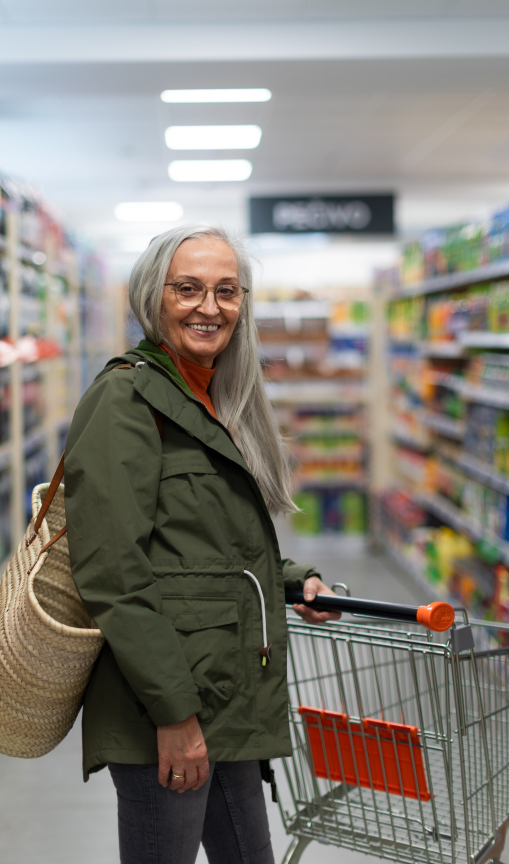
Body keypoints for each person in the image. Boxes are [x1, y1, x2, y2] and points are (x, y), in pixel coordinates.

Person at [64, 224, 340, 864]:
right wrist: (174, 715)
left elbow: (211, 541)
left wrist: (294, 579)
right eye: (187, 289)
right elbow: (112, 573)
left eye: (227, 290)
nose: (209, 308)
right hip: (166, 704)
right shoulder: (126, 400)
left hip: (230, 688)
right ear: (151, 297)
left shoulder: (211, 394)